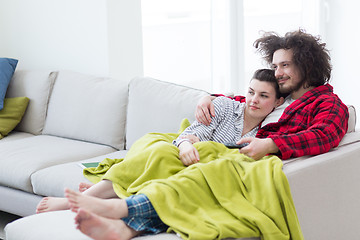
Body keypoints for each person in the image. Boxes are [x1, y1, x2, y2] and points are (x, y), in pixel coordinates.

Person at [36, 68, 284, 214]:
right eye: (251, 92)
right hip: (186, 154)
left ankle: (105, 198)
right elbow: (194, 133)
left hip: (206, 172)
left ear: (278, 102)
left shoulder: (267, 133)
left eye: (263, 96)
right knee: (161, 154)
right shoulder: (223, 106)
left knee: (174, 182)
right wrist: (186, 144)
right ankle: (80, 200)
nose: (253, 100)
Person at [196, 29, 349, 160]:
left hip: (255, 164)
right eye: (275, 66)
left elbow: (323, 135)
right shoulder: (281, 97)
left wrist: (271, 144)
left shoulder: (328, 103)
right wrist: (209, 98)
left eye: (285, 65)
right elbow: (247, 100)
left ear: (306, 66)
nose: (277, 73)